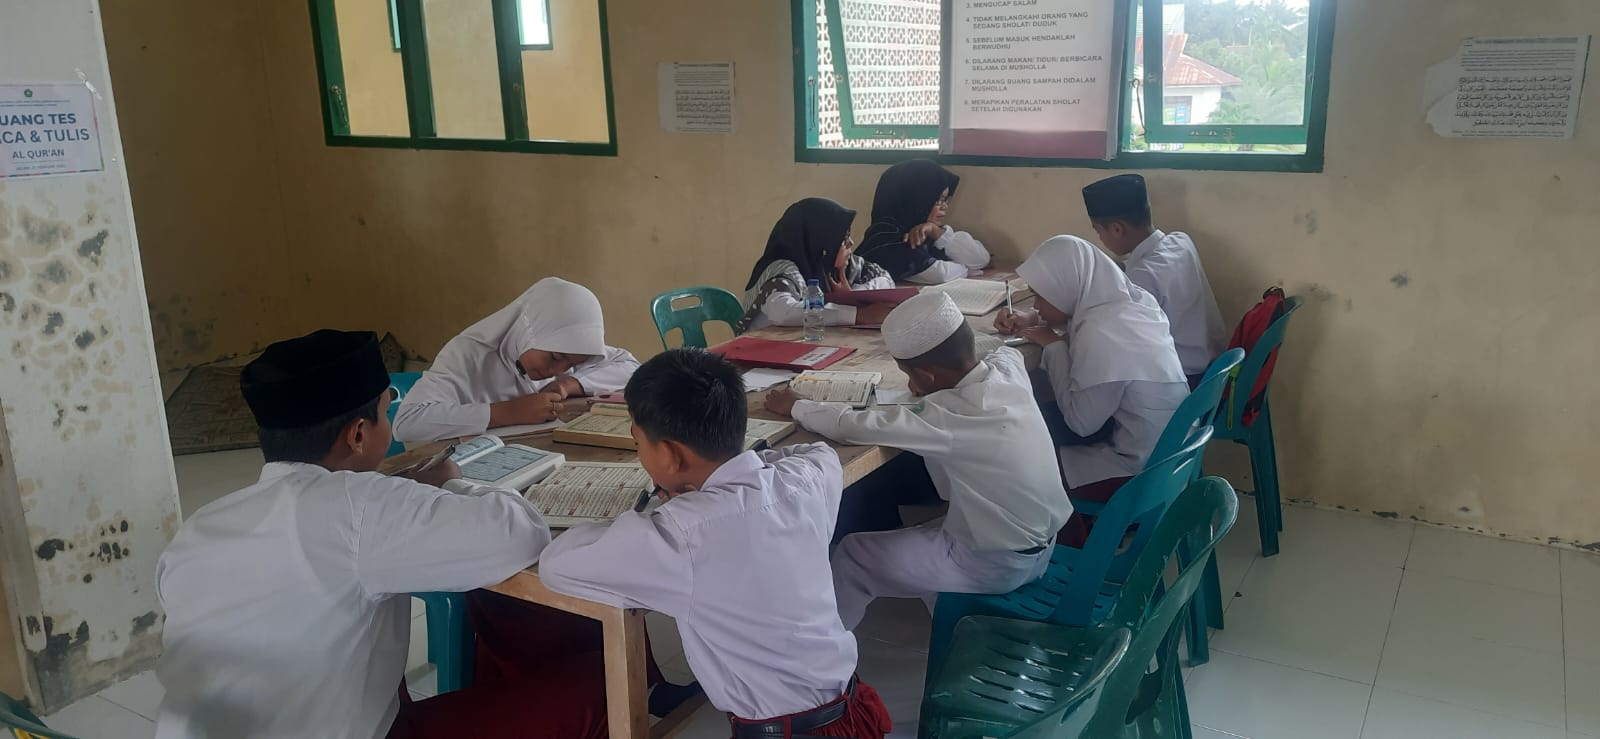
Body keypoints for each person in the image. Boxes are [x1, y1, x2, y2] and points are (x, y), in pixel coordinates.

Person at [153, 329, 606, 739]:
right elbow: (521, 535)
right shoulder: (361, 505)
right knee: (600, 689)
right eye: (385, 413)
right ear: (357, 435)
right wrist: (448, 483)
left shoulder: (200, 526)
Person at [539, 349, 893, 739]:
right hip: (851, 711)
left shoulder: (683, 534)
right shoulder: (806, 479)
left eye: (638, 442)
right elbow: (815, 452)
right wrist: (709, 487)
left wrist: (679, 504)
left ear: (669, 454)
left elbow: (557, 564)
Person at [764, 292, 1071, 628]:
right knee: (922, 535)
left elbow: (851, 425)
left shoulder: (948, 415)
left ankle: (825, 653)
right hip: (1041, 547)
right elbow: (1000, 351)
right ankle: (952, 629)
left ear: (926, 377)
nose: (911, 386)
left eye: (910, 377)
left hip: (994, 565)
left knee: (854, 554)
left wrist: (796, 405)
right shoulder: (1009, 370)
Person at [997, 236, 1188, 536]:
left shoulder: (1101, 332)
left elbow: (1081, 424)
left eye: (1040, 297)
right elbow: (1072, 316)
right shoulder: (1131, 300)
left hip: (1140, 471)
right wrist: (1034, 318)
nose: (1035, 304)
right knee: (1035, 428)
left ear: (1065, 288)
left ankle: (1073, 546)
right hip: (1173, 452)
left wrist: (1054, 347)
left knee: (1023, 467)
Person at [393, 277, 639, 442]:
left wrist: (569, 383)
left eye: (572, 364)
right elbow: (406, 422)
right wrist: (508, 412)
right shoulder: (467, 354)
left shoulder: (565, 348)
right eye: (556, 357)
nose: (559, 369)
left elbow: (630, 366)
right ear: (530, 331)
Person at [1083, 174, 1225, 386]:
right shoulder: (1181, 241)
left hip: (1183, 379)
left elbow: (1120, 338)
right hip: (1213, 369)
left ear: (1117, 229)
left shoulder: (1142, 276)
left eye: (1098, 231)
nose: (1100, 239)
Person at [738, 197, 897, 332]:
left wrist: (852, 295)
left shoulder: (838, 267)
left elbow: (884, 278)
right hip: (764, 351)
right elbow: (785, 312)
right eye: (843, 238)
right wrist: (857, 314)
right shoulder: (782, 269)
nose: (851, 243)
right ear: (821, 242)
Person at [855, 159, 991, 284]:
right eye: (938, 200)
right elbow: (941, 274)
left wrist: (937, 232)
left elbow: (981, 259)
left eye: (945, 200)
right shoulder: (886, 237)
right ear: (915, 200)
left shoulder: (927, 232)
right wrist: (967, 268)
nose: (945, 206)